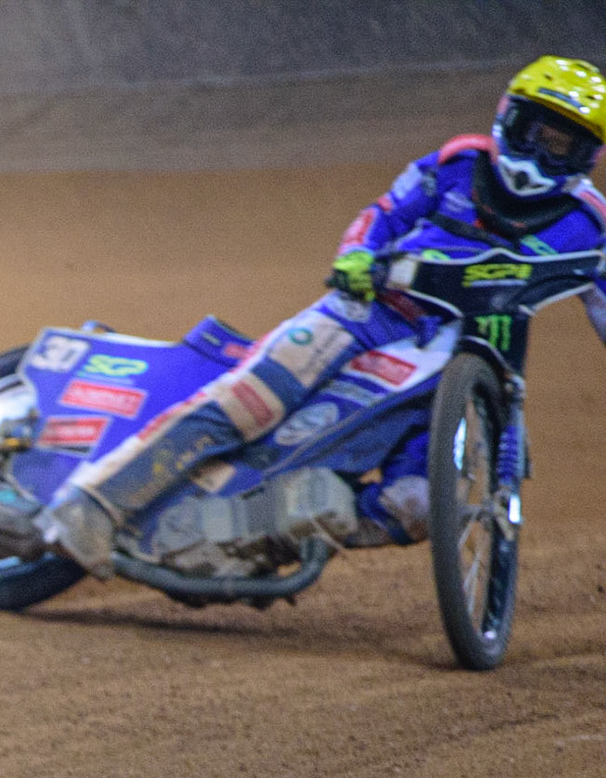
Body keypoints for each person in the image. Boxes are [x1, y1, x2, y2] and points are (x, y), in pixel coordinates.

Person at [36, 55, 606, 571]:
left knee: (419, 505)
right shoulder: (458, 161)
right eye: (537, 134)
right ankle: (90, 505)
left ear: (588, 158)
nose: (540, 156)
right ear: (510, 118)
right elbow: (383, 212)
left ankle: (268, 530)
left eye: (563, 147)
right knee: (249, 404)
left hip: (459, 354)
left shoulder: (592, 225)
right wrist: (356, 255)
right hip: (369, 310)